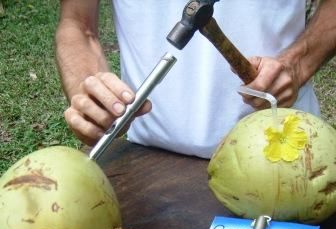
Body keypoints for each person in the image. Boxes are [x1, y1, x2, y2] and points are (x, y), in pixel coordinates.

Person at [55, 0, 336, 159]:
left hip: (284, 152)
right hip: (147, 159)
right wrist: (92, 92)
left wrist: (297, 64)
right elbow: (77, 25)